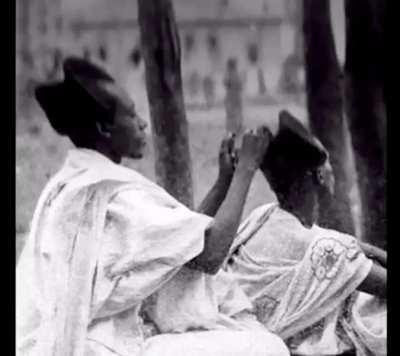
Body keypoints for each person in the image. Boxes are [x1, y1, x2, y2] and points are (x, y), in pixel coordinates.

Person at [16, 57, 289, 356]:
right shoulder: (112, 192)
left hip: (65, 339)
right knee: (266, 346)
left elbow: (179, 243)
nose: (143, 123)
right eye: (131, 116)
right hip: (95, 347)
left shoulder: (73, 180)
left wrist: (224, 183)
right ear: (104, 128)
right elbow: (210, 255)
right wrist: (246, 170)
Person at [208, 110, 386, 356]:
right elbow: (341, 253)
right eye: (329, 163)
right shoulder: (327, 249)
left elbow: (346, 245)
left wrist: (371, 251)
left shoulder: (262, 216)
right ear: (320, 175)